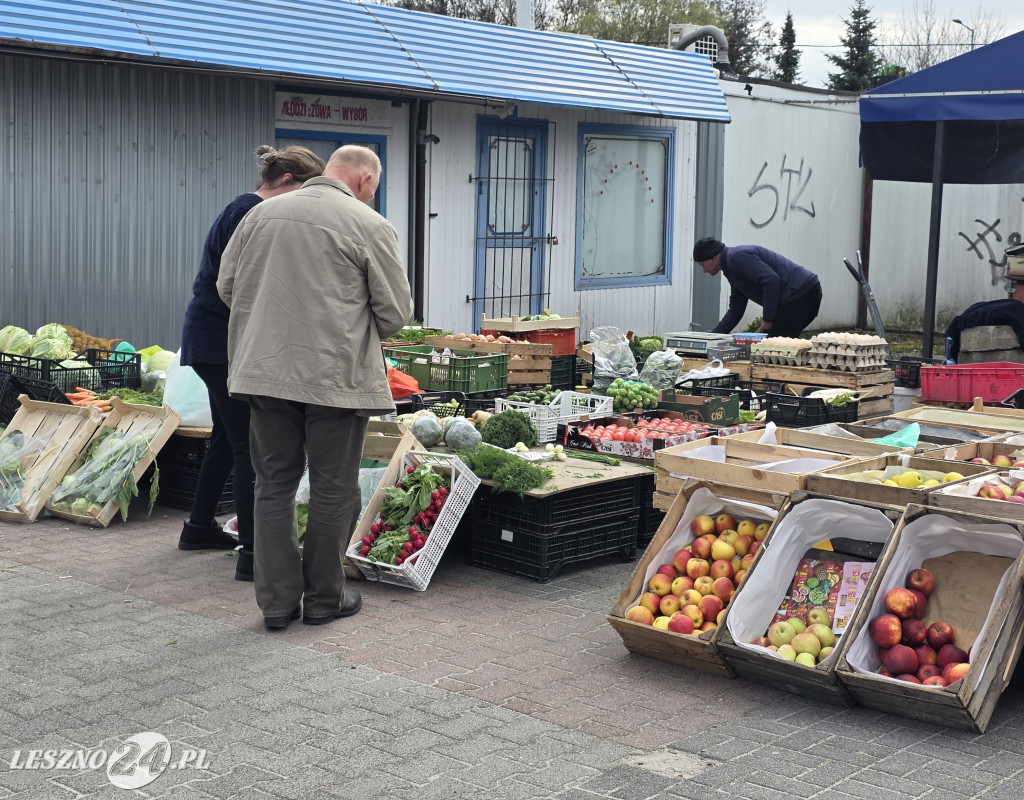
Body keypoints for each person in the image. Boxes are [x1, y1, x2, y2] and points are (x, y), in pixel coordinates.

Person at [217, 145, 414, 630]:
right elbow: (396, 315)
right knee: (332, 489)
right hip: (336, 378)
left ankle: (277, 605)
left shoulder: (260, 215)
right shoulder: (369, 224)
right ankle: (325, 600)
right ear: (365, 181)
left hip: (264, 373)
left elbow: (227, 287)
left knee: (273, 485)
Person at [178, 145, 326, 581]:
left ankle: (198, 528)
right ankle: (253, 555)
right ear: (286, 181)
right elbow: (244, 282)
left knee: (226, 439)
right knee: (250, 447)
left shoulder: (243, 208)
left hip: (210, 339)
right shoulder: (249, 212)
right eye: (304, 191)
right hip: (221, 342)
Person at [693, 237, 822, 337]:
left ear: (713, 257)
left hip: (800, 293)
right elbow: (736, 311)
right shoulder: (731, 268)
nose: (703, 270)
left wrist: (767, 318)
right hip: (806, 291)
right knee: (778, 346)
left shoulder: (736, 257)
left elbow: (771, 280)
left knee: (774, 349)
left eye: (702, 264)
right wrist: (712, 338)